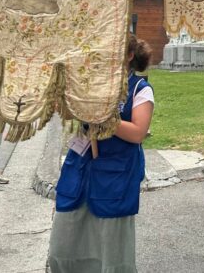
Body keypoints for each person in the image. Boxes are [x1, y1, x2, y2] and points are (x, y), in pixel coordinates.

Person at [49, 35, 154, 272]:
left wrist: (102, 116)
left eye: (117, 51)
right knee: (63, 246)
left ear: (129, 56)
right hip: (81, 168)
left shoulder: (140, 89)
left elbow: (138, 132)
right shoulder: (91, 85)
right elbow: (65, 110)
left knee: (111, 248)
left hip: (116, 174)